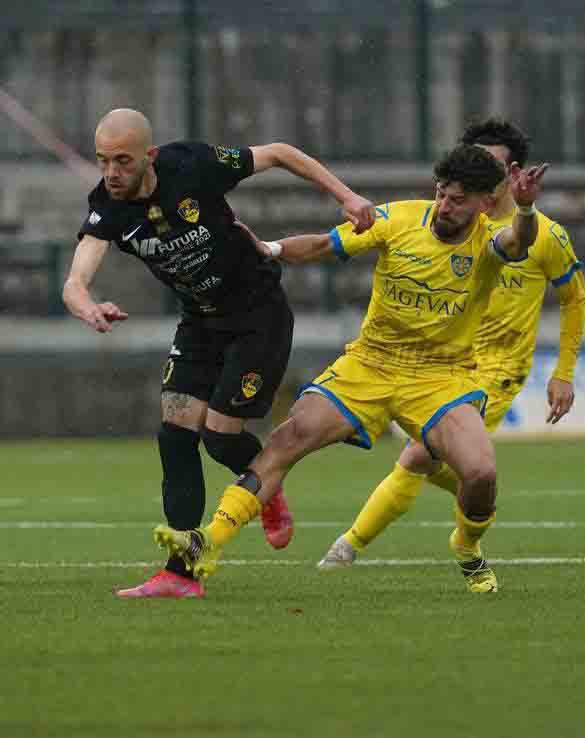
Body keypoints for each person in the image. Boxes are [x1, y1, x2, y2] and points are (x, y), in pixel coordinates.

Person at [154, 144, 549, 594]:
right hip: (370, 365)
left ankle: (466, 544)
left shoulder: (491, 240)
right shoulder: (398, 219)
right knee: (287, 439)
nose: (444, 205)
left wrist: (526, 207)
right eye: (441, 193)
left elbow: (519, 241)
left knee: (481, 474)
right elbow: (326, 244)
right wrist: (271, 248)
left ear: (484, 203)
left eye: (458, 200)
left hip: (441, 376)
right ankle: (208, 541)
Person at [63, 108, 375, 598]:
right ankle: (179, 573)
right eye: (103, 161)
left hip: (258, 315)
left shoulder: (193, 164)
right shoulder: (108, 206)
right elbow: (75, 282)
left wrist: (347, 197)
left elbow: (279, 153)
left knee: (221, 438)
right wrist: (88, 307)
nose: (111, 173)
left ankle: (265, 486)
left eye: (122, 161)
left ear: (149, 156)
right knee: (174, 435)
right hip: (200, 323)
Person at [318, 118, 585, 577]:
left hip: (497, 367)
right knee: (443, 463)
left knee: (416, 454)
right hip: (441, 362)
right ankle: (479, 492)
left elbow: (573, 299)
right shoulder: (445, 225)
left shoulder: (542, 235)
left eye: (490, 163)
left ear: (511, 172)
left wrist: (563, 372)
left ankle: (347, 548)